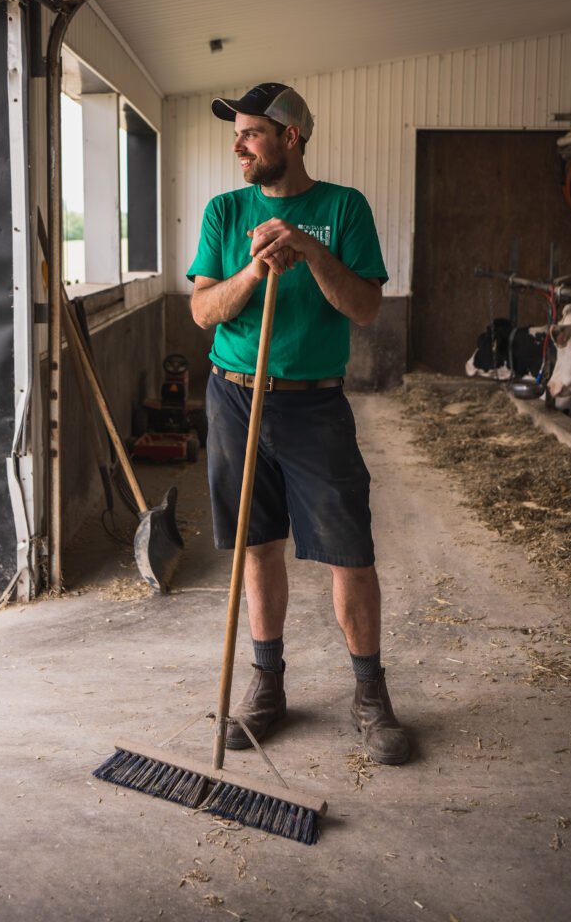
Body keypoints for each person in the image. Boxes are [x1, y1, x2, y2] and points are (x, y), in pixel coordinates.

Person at [187, 82, 410, 765]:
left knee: (350, 552)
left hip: (314, 404)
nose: (239, 145)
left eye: (251, 133)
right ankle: (268, 684)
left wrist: (309, 253)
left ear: (291, 137)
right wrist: (255, 270)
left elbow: (367, 309)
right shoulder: (225, 212)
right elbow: (203, 312)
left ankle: (371, 695)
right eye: (239, 134)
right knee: (258, 546)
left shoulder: (343, 208)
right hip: (235, 396)